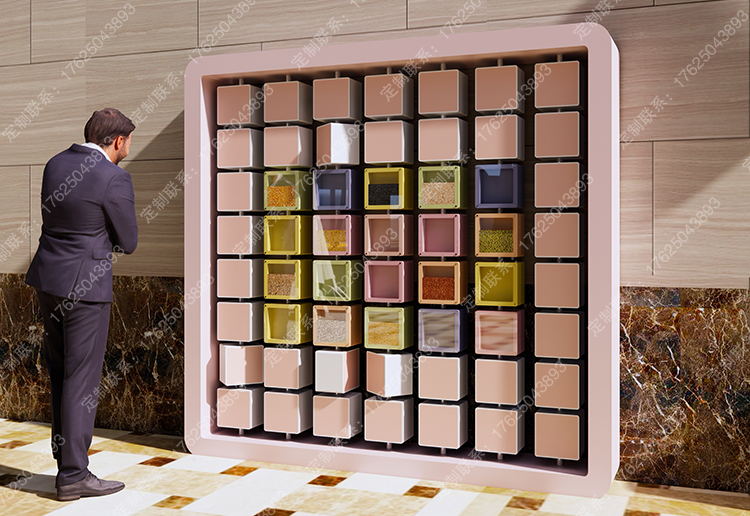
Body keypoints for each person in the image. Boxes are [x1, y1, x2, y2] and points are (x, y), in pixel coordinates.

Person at [25, 108, 139, 502]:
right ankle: (74, 475)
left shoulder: (55, 164)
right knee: (81, 380)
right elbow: (128, 240)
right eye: (129, 141)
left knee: (61, 372)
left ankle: (65, 462)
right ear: (118, 140)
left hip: (48, 280)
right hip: (86, 288)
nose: (128, 148)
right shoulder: (113, 176)